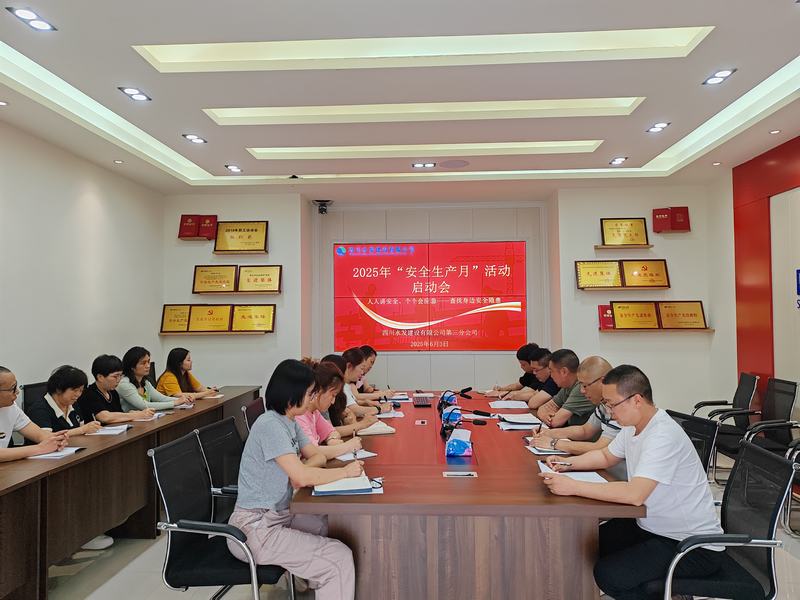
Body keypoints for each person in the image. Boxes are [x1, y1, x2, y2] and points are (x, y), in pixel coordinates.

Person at [539, 365, 723, 600]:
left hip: (690, 545)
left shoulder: (662, 435)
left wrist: (573, 486)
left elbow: (635, 495)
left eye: (611, 404)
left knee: (609, 575)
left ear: (636, 400)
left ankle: (668, 595)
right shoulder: (633, 427)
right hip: (651, 525)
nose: (609, 412)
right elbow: (605, 456)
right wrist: (567, 464)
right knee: (587, 546)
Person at [227, 359, 357, 599]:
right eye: (310, 393)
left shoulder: (289, 421)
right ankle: (325, 579)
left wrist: (300, 471)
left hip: (278, 516)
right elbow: (301, 477)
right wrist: (345, 472)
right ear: (291, 395)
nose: (312, 398)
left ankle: (320, 584)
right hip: (254, 529)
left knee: (329, 526)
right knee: (338, 557)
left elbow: (315, 456)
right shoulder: (270, 425)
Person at [528, 356, 626, 480]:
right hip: (606, 469)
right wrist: (548, 433)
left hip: (618, 475)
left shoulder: (620, 407)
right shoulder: (603, 404)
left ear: (602, 381)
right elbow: (585, 430)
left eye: (585, 386)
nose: (582, 391)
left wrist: (554, 443)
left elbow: (600, 448)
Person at [297, 359, 364, 460]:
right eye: (332, 395)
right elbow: (313, 452)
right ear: (318, 390)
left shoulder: (314, 412)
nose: (333, 401)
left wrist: (331, 439)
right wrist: (348, 447)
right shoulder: (300, 415)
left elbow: (332, 431)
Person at [0, 365, 69, 461]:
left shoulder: (11, 407)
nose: (17, 392)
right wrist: (40, 448)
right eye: (12, 388)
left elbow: (39, 434)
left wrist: (56, 440)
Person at [26, 365, 103, 436]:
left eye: (81, 390)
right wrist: (82, 430)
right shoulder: (39, 410)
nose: (78, 394)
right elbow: (46, 438)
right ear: (59, 389)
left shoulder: (73, 404)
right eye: (75, 390)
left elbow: (82, 429)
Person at [76, 355, 155, 424]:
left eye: (120, 375)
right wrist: (136, 415)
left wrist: (131, 413)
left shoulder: (113, 392)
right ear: (100, 377)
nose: (119, 379)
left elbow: (118, 415)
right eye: (115, 376)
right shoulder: (89, 394)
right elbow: (105, 417)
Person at [117, 347, 191, 412]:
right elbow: (144, 406)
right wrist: (175, 403)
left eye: (148, 362)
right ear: (132, 367)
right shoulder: (124, 384)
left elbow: (161, 398)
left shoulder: (145, 382)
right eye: (143, 363)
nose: (148, 366)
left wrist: (184, 399)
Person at [320, 354, 378, 437]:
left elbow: (348, 413)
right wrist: (362, 424)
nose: (362, 372)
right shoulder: (322, 401)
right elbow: (329, 431)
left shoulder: (342, 390)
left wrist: (348, 420)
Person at [535, 349, 594, 427]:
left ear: (564, 372)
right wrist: (542, 413)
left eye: (551, 371)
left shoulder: (581, 388)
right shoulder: (567, 385)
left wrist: (544, 414)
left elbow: (555, 422)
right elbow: (545, 407)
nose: (551, 376)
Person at [341, 348, 391, 417]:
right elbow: (355, 410)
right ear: (349, 366)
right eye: (361, 368)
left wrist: (365, 402)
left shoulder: (346, 385)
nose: (362, 372)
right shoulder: (341, 386)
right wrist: (380, 409)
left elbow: (353, 401)